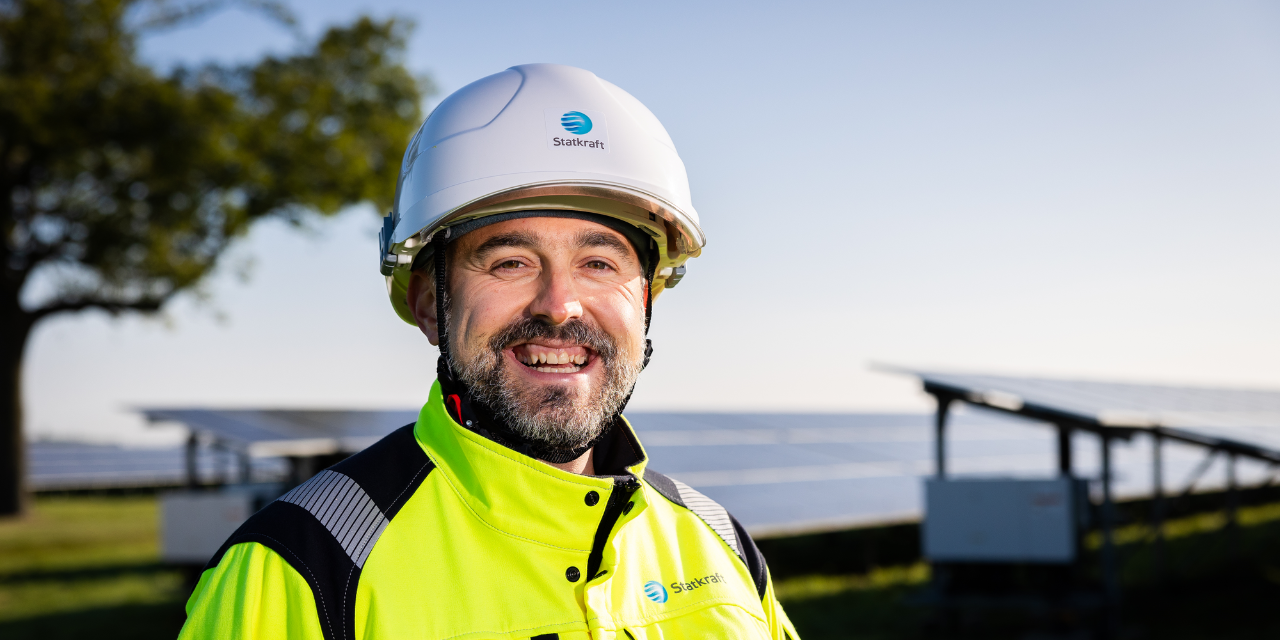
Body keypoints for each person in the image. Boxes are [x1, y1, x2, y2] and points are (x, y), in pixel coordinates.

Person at [179, 63, 799, 640]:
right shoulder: (303, 565)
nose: (560, 306)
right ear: (429, 303)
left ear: (647, 302)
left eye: (599, 263)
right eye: (509, 262)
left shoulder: (718, 543)